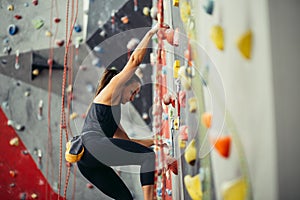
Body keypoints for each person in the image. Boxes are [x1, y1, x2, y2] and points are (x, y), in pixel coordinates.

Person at [77, 24, 169, 200]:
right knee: (148, 158)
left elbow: (128, 144)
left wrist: (156, 141)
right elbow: (134, 61)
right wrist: (150, 33)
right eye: (133, 91)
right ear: (124, 84)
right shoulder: (111, 91)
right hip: (92, 147)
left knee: (125, 198)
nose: (134, 97)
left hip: (87, 163)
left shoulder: (113, 112)